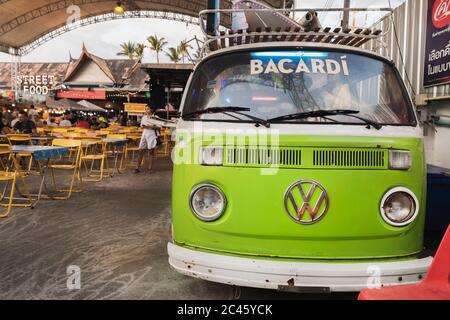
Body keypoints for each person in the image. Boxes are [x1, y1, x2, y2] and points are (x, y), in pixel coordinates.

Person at [134, 106, 160, 174]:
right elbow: (142, 126)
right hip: (144, 134)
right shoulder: (144, 117)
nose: (146, 110)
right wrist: (144, 126)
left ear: (151, 109)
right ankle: (137, 167)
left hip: (152, 134)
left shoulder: (156, 117)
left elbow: (159, 127)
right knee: (140, 150)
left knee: (151, 151)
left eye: (148, 109)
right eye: (145, 109)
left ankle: (150, 168)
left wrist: (150, 126)